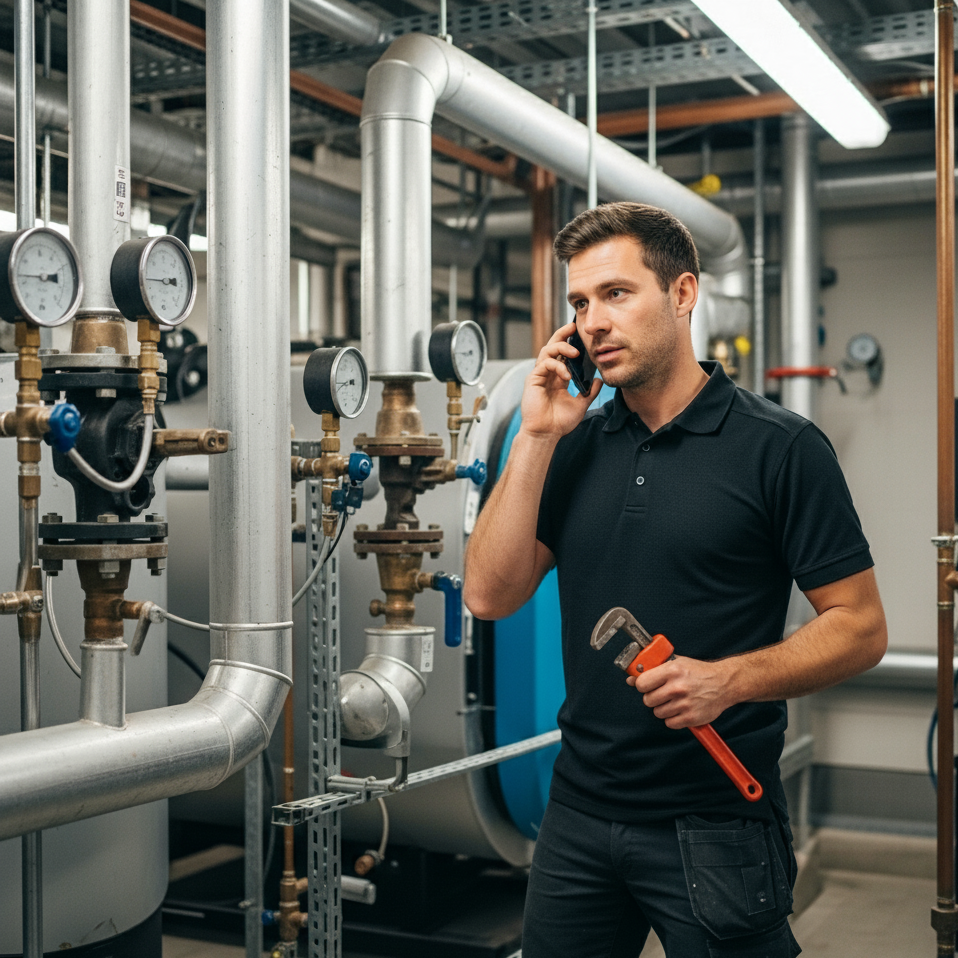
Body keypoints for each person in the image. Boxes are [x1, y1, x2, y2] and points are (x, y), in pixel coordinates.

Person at [462, 201, 887, 958]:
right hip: (578, 817)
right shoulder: (571, 445)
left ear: (683, 294)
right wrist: (533, 435)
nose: (593, 321)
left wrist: (727, 680)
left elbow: (860, 626)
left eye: (617, 294)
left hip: (716, 819)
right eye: (581, 303)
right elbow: (489, 595)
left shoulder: (780, 449)